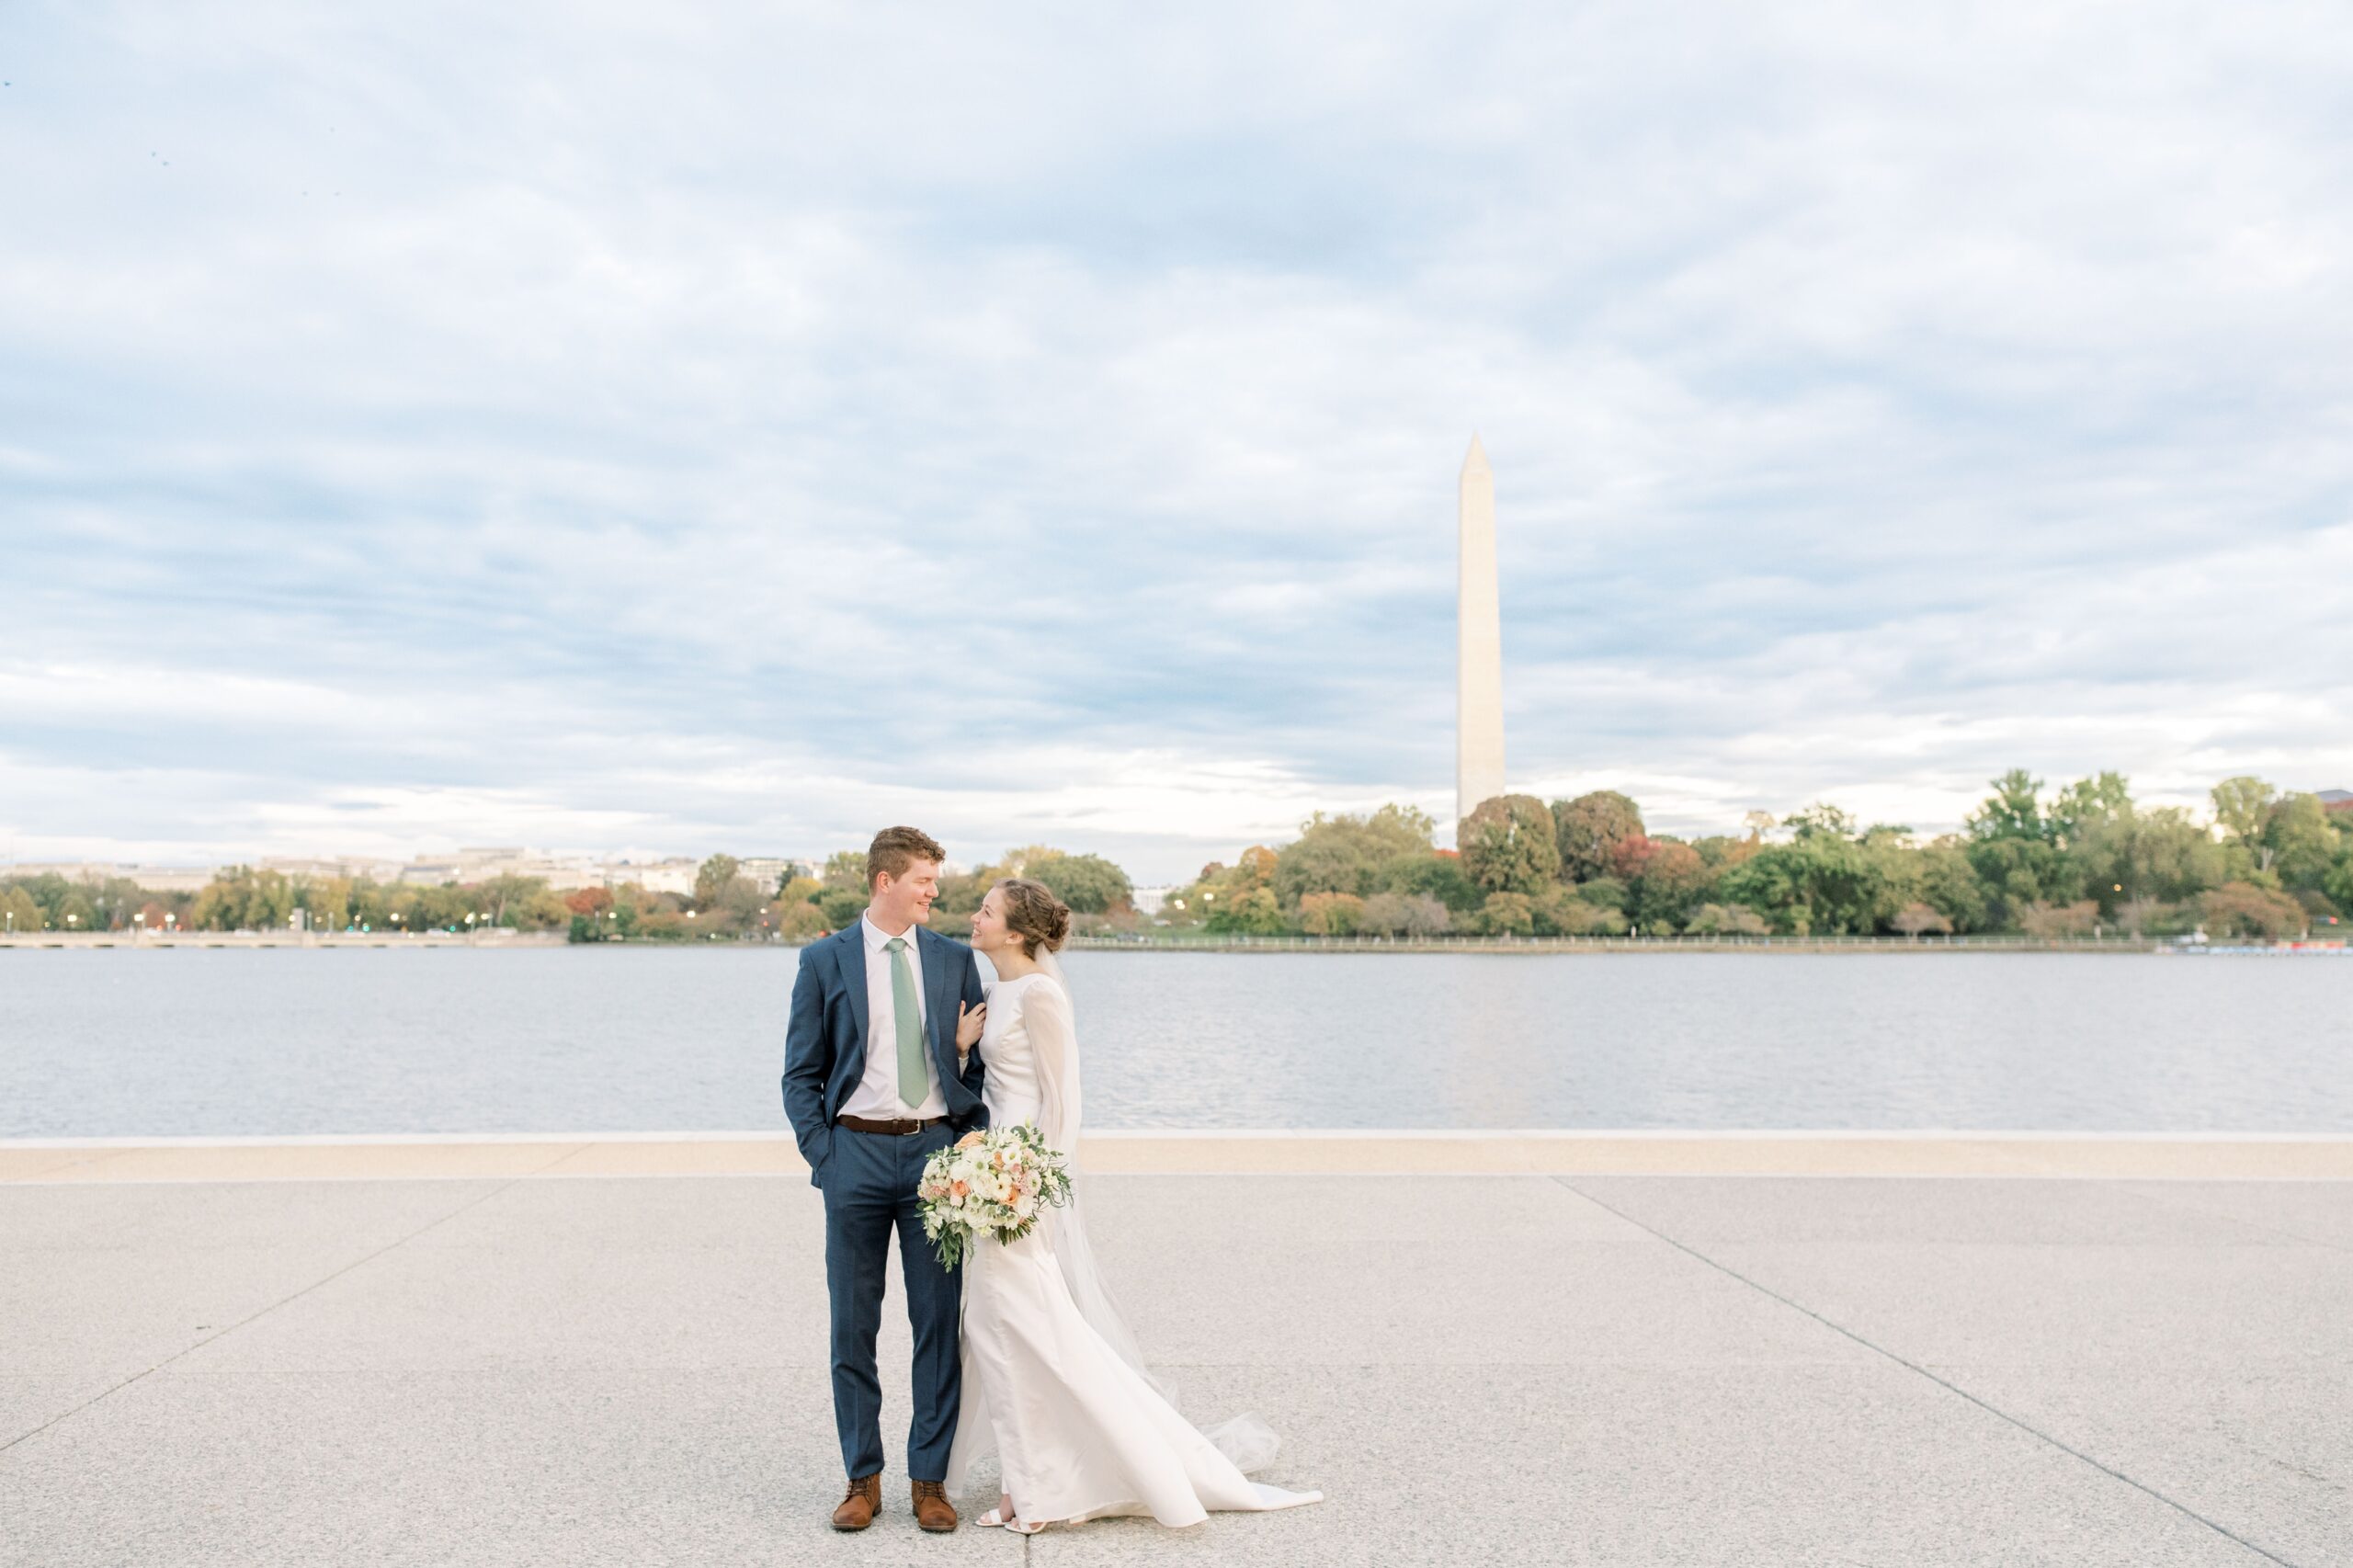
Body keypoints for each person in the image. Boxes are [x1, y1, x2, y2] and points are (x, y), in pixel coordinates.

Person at [947, 876, 1322, 1532]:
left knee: (1022, 1331)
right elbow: (995, 1083)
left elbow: (1065, 1100)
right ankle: (1024, 1483)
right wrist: (958, 1050)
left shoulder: (1040, 992)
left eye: (987, 910)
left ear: (1017, 932)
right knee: (995, 1332)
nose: (974, 917)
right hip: (990, 1169)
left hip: (1019, 1180)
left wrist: (1037, 1188)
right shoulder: (995, 990)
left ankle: (1043, 1490)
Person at [781, 826, 993, 1533]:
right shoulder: (823, 960)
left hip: (936, 1158)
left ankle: (928, 1482)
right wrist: (826, 1156)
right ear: (884, 881)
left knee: (937, 1323)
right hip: (856, 1159)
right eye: (925, 880)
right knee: (853, 1326)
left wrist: (962, 1143)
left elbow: (978, 1064)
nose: (936, 891)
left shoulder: (956, 960)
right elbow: (799, 1073)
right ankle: (861, 1479)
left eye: (936, 879)